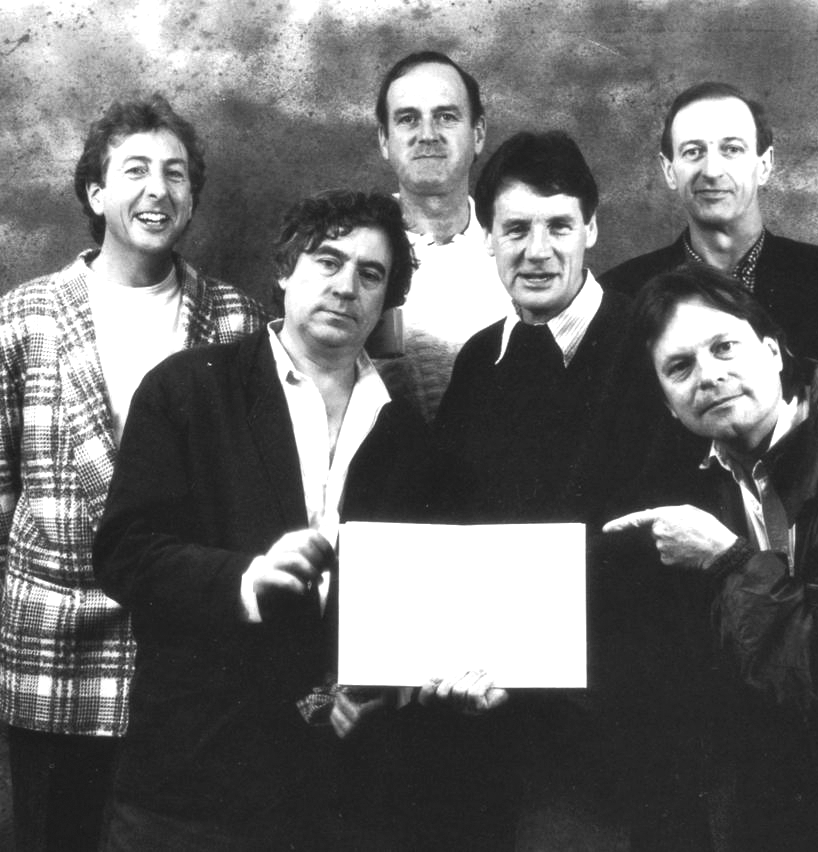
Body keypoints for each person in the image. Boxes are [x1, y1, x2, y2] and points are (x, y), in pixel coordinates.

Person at [92, 189, 442, 850]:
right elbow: (124, 553)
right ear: (284, 270)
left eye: (370, 274)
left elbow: (406, 601)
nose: (346, 286)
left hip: (331, 793)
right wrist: (245, 579)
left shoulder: (406, 435)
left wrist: (378, 685)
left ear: (387, 298)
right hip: (192, 782)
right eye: (327, 261)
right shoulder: (187, 388)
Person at [0, 93, 266, 852]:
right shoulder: (24, 317)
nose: (158, 190)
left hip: (187, 660)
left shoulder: (237, 322)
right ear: (96, 192)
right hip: (55, 648)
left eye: (176, 174)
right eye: (136, 170)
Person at [604, 263, 818, 851]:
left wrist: (725, 560)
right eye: (679, 368)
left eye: (724, 347)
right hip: (800, 793)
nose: (709, 376)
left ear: (774, 352)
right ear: (668, 404)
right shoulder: (709, 468)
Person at [428, 130, 652, 850]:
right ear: (488, 240)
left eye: (559, 226)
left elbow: (650, 552)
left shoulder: (649, 346)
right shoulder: (477, 363)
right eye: (515, 229)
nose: (537, 251)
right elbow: (453, 531)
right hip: (489, 705)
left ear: (592, 229)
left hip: (612, 717)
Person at [600, 81, 818, 382]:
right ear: (669, 170)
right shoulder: (619, 295)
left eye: (732, 149)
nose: (712, 171)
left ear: (765, 165)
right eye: (693, 152)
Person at [372, 50, 510, 421]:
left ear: (478, 134)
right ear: (384, 139)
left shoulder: (518, 248)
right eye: (408, 119)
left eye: (446, 117)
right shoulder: (353, 251)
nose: (427, 135)